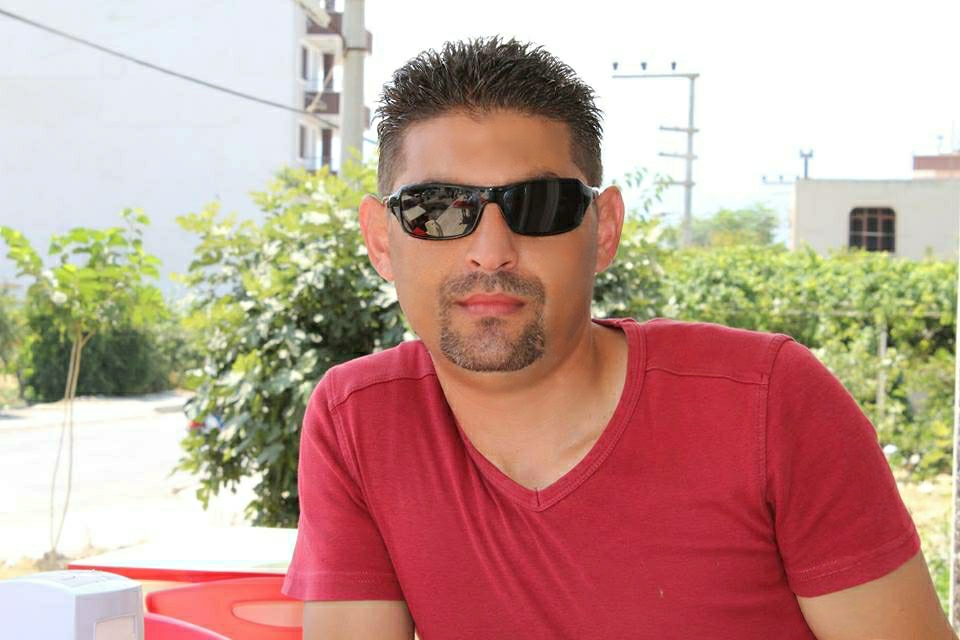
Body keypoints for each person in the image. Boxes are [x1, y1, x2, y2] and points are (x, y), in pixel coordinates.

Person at [282, 37, 956, 639]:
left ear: (603, 230)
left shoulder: (767, 403)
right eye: (437, 210)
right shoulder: (359, 421)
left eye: (539, 206)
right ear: (381, 240)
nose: (490, 251)